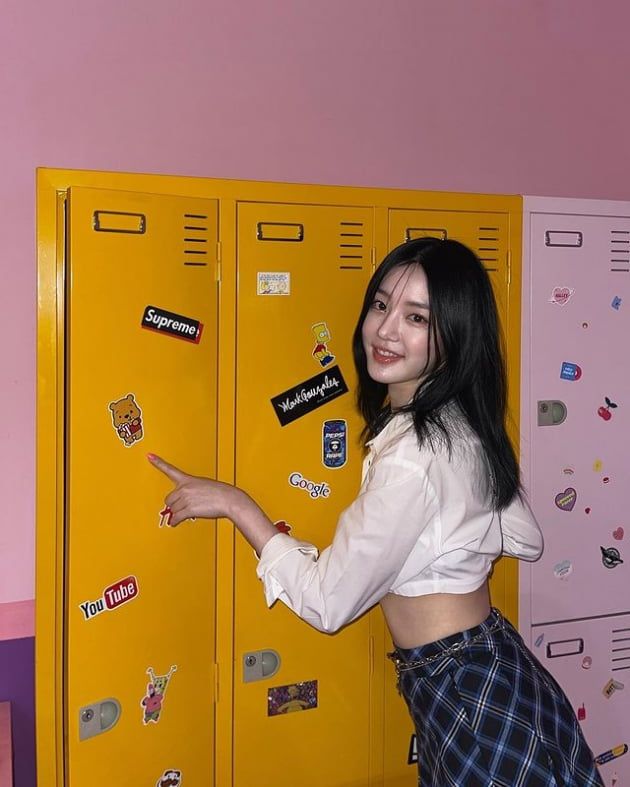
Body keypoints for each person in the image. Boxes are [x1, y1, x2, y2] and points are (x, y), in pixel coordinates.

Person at [148, 238, 603, 786]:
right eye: (382, 305)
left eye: (417, 318)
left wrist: (234, 503)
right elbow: (525, 537)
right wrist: (442, 544)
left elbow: (328, 603)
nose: (385, 330)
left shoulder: (414, 454)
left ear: (456, 334)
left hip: (464, 689)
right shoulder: (462, 423)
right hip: (492, 665)